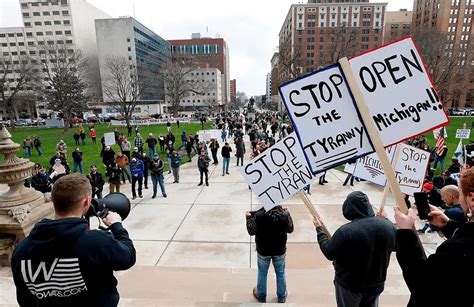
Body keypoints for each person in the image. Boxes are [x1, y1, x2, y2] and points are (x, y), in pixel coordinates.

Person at [11, 173, 136, 306]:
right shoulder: (97, 242)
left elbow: (24, 299)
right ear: (87, 201)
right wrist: (117, 227)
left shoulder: (21, 250)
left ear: (53, 200)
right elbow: (127, 257)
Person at [394, 167, 474, 307]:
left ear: (471, 198)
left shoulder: (456, 250)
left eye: (460, 193)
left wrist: (406, 233)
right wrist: (447, 225)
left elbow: (423, 287)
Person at [313, 191, 397, 307]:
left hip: (349, 286)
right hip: (375, 284)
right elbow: (397, 246)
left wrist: (319, 230)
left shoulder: (345, 232)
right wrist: (385, 219)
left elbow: (329, 253)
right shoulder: (389, 227)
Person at [246, 205, 294, 303]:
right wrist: (289, 215)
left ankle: (261, 296)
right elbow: (290, 229)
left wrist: (248, 218)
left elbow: (251, 231)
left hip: (263, 250)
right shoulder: (284, 215)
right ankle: (282, 296)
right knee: (280, 272)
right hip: (279, 250)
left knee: (262, 272)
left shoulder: (259, 216)